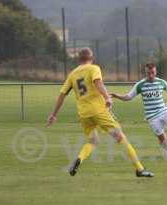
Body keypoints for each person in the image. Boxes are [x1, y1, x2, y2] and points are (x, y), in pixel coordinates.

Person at [46, 48, 154, 178]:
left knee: (93, 141)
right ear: (92, 58)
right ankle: (139, 169)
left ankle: (79, 159)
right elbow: (98, 83)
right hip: (98, 112)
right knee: (120, 137)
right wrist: (107, 98)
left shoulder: (72, 74)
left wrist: (54, 114)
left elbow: (62, 94)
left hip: (84, 115)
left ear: (79, 59)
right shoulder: (93, 68)